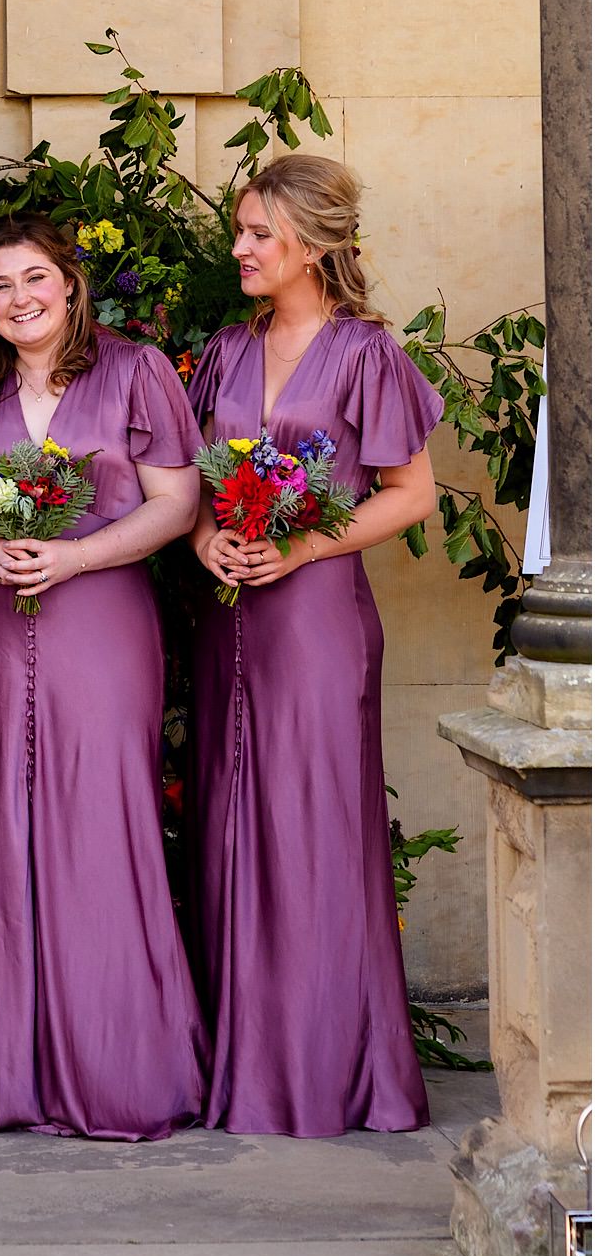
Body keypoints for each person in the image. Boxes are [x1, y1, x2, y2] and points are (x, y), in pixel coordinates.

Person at [186, 156, 441, 1137]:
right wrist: (205, 538)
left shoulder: (366, 354)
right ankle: (250, 1068)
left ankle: (330, 1071)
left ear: (312, 243)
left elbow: (409, 495)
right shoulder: (224, 352)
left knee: (314, 831)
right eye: (240, 230)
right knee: (231, 826)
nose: (240, 248)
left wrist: (299, 547)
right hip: (229, 618)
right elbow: (195, 488)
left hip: (317, 620)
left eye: (259, 233)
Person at [0, 214, 206, 1141]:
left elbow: (178, 503)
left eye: (34, 278)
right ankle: (10, 1073)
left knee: (101, 824)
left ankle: (119, 1066)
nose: (20, 298)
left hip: (101, 624)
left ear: (70, 282)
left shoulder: (135, 370)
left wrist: (76, 556)